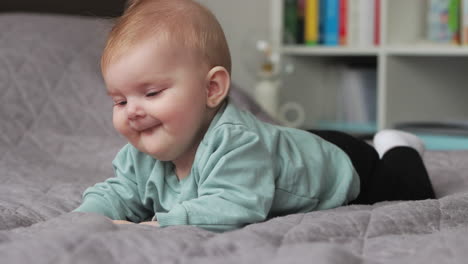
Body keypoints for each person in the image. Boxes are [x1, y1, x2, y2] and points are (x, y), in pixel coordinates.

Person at [74, 0, 435, 232]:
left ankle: (397, 144)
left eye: (151, 93)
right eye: (119, 101)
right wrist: (87, 217)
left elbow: (232, 206)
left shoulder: (235, 142)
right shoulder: (141, 154)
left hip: (344, 165)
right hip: (297, 145)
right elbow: (120, 191)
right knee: (292, 140)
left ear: (212, 89)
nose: (133, 111)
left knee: (408, 190)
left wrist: (156, 225)